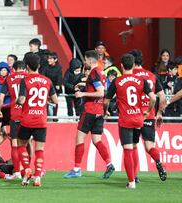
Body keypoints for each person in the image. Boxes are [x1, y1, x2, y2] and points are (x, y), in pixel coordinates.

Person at [104, 53, 157, 189]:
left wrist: (106, 111)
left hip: (126, 120)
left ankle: (132, 181)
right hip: (138, 119)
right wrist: (147, 110)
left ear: (121, 65)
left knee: (127, 150)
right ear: (133, 65)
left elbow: (106, 100)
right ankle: (135, 176)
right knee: (134, 147)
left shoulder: (117, 81)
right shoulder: (141, 81)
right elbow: (153, 98)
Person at [64, 50, 115, 179]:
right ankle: (109, 163)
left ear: (90, 60)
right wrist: (84, 84)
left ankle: (76, 169)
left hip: (90, 110)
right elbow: (96, 85)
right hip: (99, 111)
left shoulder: (93, 72)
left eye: (85, 59)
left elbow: (100, 92)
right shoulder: (101, 71)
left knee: (79, 138)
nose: (84, 62)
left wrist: (83, 93)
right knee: (97, 140)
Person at [16, 53, 58, 187]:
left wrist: (17, 101)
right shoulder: (47, 80)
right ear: (39, 66)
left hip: (27, 119)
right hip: (41, 119)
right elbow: (56, 101)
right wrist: (45, 99)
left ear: (27, 66)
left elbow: (21, 100)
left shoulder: (25, 80)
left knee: (21, 144)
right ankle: (38, 176)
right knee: (39, 149)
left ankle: (27, 169)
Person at [130, 49, 167, 182]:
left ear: (132, 61)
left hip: (133, 116)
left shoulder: (130, 75)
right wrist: (159, 113)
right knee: (149, 146)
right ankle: (158, 162)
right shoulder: (152, 75)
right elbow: (162, 97)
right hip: (150, 116)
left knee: (132, 146)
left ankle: (133, 176)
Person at [0, 60, 28, 179]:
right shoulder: (29, 77)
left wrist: (0, 110)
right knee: (28, 145)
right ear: (24, 68)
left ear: (14, 69)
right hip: (28, 114)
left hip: (15, 114)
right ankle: (30, 170)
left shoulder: (10, 78)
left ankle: (17, 172)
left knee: (15, 144)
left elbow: (1, 97)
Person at [41, 52, 63, 120]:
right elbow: (43, 76)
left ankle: (54, 116)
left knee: (55, 102)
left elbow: (59, 77)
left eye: (50, 59)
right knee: (46, 102)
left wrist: (58, 84)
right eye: (48, 58)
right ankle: (47, 117)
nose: (48, 60)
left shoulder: (59, 67)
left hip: (55, 88)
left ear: (55, 60)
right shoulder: (45, 67)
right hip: (47, 86)